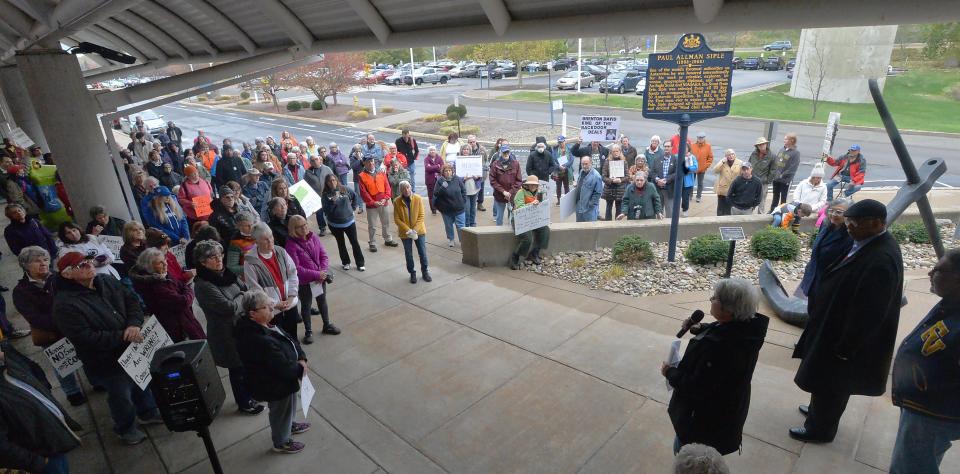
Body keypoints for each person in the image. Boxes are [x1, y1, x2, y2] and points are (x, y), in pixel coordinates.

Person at [791, 199, 904, 443]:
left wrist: (846, 347)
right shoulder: (866, 243)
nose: (848, 227)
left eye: (853, 223)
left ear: (875, 224)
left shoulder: (881, 259)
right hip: (834, 328)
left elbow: (870, 311)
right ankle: (816, 412)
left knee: (832, 385)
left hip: (843, 340)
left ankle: (819, 430)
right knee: (823, 380)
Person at [53, 251, 163, 445]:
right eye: (81, 265)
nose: (89, 265)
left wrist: (134, 324)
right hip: (105, 360)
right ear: (67, 274)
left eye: (88, 261)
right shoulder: (65, 305)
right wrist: (123, 335)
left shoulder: (105, 280)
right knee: (121, 396)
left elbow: (132, 301)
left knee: (141, 383)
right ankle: (125, 428)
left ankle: (148, 412)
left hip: (131, 349)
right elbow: (84, 337)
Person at [662, 278, 768, 455]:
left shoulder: (718, 349)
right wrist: (699, 327)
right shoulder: (747, 331)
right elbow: (722, 328)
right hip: (727, 418)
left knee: (688, 460)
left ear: (728, 308)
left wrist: (670, 372)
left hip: (703, 426)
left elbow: (696, 388)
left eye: (715, 298)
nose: (711, 299)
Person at [889, 249, 960, 474]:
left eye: (939, 270)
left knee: (911, 466)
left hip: (935, 412)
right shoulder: (950, 304)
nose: (930, 273)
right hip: (925, 406)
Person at [192, 241, 264, 415]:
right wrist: (242, 297)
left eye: (220, 255)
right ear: (202, 262)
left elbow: (246, 289)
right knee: (237, 368)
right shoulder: (203, 285)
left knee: (246, 364)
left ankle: (251, 394)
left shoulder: (225, 273)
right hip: (226, 335)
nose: (219, 259)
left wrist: (241, 296)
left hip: (241, 328)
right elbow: (229, 308)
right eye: (213, 257)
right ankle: (244, 402)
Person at [235, 290, 310, 454]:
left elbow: (289, 339)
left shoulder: (265, 324)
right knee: (280, 411)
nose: (271, 308)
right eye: (267, 307)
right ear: (252, 313)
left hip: (284, 380)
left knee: (288, 406)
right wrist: (300, 368)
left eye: (271, 305)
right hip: (274, 384)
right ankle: (281, 442)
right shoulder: (256, 339)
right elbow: (281, 366)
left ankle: (290, 424)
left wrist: (301, 357)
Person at [12, 246, 87, 406]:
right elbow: (34, 318)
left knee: (86, 354)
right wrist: (62, 322)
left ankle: (95, 379)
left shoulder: (60, 278)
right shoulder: (20, 291)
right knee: (62, 364)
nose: (43, 263)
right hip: (51, 333)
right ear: (25, 265)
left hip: (74, 326)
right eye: (37, 261)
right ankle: (72, 391)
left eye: (45, 259)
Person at [0, 342, 82, 473]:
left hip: (51, 441)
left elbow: (33, 368)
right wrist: (36, 462)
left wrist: (45, 390)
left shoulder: (6, 352)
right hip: (39, 457)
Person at [285, 215, 341, 345]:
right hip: (305, 282)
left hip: (319, 278)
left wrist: (323, 271)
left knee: (322, 302)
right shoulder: (291, 245)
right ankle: (308, 331)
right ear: (294, 229)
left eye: (305, 224)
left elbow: (323, 255)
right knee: (306, 305)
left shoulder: (313, 237)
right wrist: (317, 274)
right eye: (300, 226)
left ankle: (327, 324)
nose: (305, 228)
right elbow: (296, 268)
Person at [129, 248, 205, 342]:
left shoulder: (163, 274)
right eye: (160, 262)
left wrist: (186, 291)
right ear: (149, 267)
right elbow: (183, 302)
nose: (165, 264)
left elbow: (182, 285)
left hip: (186, 320)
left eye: (164, 260)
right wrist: (189, 293)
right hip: (176, 328)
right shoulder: (155, 285)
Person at [244, 222, 301, 340]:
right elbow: (255, 289)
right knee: (279, 337)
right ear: (256, 241)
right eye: (265, 239)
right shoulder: (250, 262)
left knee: (293, 334)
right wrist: (275, 304)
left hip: (289, 304)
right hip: (272, 311)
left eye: (271, 236)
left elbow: (292, 273)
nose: (270, 241)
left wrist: (291, 296)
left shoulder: (281, 251)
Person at [796, 199, 853, 299]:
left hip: (830, 281)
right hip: (813, 275)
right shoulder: (825, 224)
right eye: (831, 210)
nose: (833, 214)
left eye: (839, 212)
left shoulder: (851, 235)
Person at [321, 174, 365, 272]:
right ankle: (346, 262)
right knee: (341, 244)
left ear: (337, 180)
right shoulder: (325, 195)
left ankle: (360, 263)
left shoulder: (344, 189)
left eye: (334, 180)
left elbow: (355, 196)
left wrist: (353, 208)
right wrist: (332, 202)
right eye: (329, 181)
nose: (332, 182)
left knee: (355, 243)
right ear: (326, 183)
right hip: (335, 224)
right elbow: (326, 211)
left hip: (349, 222)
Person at [393, 181, 431, 284]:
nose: (406, 190)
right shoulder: (396, 201)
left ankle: (425, 271)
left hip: (419, 231)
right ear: (400, 190)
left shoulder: (418, 198)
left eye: (408, 187)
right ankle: (412, 273)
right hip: (405, 233)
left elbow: (421, 216)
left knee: (422, 253)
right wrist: (408, 230)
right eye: (404, 189)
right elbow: (397, 219)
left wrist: (415, 230)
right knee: (408, 254)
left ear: (411, 187)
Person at [357, 156, 398, 252]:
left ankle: (388, 239)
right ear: (364, 164)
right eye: (368, 162)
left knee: (386, 223)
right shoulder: (361, 176)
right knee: (372, 225)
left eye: (372, 161)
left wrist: (386, 198)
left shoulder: (381, 172)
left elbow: (387, 186)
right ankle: (372, 242)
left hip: (384, 202)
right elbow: (363, 192)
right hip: (372, 205)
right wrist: (372, 202)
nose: (371, 163)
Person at [510, 176, 550, 269]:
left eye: (535, 185)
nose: (533, 186)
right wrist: (531, 204)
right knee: (527, 238)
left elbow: (541, 207)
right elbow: (519, 207)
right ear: (527, 185)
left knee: (545, 230)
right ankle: (515, 256)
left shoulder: (538, 193)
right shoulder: (520, 192)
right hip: (519, 219)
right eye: (531, 184)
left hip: (533, 219)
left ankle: (535, 252)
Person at [434, 164, 466, 247]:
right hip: (446, 209)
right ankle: (451, 239)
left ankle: (463, 240)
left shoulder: (457, 179)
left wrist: (463, 201)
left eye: (449, 170)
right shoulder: (440, 181)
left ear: (452, 171)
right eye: (446, 171)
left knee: (461, 226)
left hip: (459, 208)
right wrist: (443, 187)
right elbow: (436, 193)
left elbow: (463, 190)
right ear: (443, 172)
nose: (448, 172)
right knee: (448, 225)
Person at [489, 145, 523, 226]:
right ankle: (498, 233)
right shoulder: (495, 164)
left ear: (510, 152)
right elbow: (492, 180)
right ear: (500, 153)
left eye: (507, 152)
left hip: (513, 195)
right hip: (500, 195)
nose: (506, 153)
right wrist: (503, 191)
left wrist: (510, 192)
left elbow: (519, 181)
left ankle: (511, 231)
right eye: (504, 152)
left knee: (512, 216)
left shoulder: (516, 164)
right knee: (499, 217)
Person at [304, 152, 334, 236]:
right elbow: (305, 185)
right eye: (312, 160)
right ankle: (322, 228)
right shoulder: (308, 172)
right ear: (310, 162)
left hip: (327, 194)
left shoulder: (327, 169)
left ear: (320, 160)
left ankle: (332, 227)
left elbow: (334, 180)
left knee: (330, 212)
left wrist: (334, 191)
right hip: (316, 196)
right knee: (319, 213)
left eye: (316, 159)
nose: (315, 162)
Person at [770, 132, 801, 212]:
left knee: (783, 198)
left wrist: (782, 175)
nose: (784, 140)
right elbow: (776, 162)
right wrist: (775, 173)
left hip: (785, 180)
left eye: (786, 139)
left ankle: (781, 211)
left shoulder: (796, 153)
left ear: (792, 140)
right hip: (776, 179)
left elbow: (793, 168)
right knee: (775, 195)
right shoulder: (782, 149)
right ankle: (773, 210)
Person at [601, 144, 628, 221]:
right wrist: (611, 180)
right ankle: (608, 224)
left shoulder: (624, 162)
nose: (615, 153)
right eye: (614, 151)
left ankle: (617, 225)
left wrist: (621, 180)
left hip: (620, 189)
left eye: (617, 151)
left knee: (619, 208)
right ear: (611, 152)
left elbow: (627, 176)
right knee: (608, 208)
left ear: (620, 152)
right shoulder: (607, 162)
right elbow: (603, 176)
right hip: (609, 189)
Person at [749, 137, 776, 214]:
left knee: (762, 199)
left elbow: (773, 170)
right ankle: (748, 213)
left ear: (766, 144)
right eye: (759, 145)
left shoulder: (772, 156)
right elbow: (749, 164)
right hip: (752, 180)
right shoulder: (753, 154)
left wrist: (768, 180)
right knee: (751, 197)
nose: (761, 146)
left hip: (763, 182)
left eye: (763, 144)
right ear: (757, 146)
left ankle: (760, 215)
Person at [654, 142, 682, 216]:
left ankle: (669, 227)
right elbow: (652, 172)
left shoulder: (676, 159)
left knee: (670, 212)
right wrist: (657, 179)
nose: (666, 148)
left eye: (668, 146)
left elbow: (677, 173)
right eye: (665, 146)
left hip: (670, 190)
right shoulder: (657, 159)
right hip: (658, 190)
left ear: (672, 147)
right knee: (658, 212)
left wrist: (666, 180)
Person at [712, 149, 742, 216]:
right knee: (721, 207)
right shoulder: (723, 162)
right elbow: (715, 171)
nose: (731, 156)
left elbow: (742, 174)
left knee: (730, 207)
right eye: (729, 155)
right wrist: (722, 162)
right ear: (726, 156)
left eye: (732, 154)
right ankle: (719, 220)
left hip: (734, 189)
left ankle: (728, 221)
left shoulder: (740, 162)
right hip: (723, 188)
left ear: (735, 155)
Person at [575, 156, 604, 222]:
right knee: (579, 227)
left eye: (586, 164)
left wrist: (590, 204)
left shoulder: (596, 176)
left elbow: (598, 193)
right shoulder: (581, 171)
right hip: (579, 206)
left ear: (591, 163)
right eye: (582, 164)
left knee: (590, 229)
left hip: (589, 209)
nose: (584, 166)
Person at [690, 132, 714, 203]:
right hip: (693, 168)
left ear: (704, 138)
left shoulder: (708, 146)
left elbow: (710, 157)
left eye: (702, 138)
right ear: (697, 138)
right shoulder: (692, 145)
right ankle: (690, 195)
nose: (700, 139)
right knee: (691, 182)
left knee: (700, 183)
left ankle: (698, 196)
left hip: (702, 169)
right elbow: (689, 156)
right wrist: (690, 167)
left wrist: (706, 166)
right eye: (699, 138)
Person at [679, 147, 699, 217]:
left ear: (688, 149)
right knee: (676, 197)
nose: (684, 149)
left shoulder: (691, 157)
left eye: (686, 148)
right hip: (678, 181)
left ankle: (685, 210)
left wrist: (687, 168)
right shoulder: (677, 155)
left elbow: (696, 167)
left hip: (687, 181)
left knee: (685, 197)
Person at [424, 146, 444, 215]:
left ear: (436, 151)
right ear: (428, 152)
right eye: (431, 150)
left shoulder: (439, 158)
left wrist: (433, 167)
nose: (432, 151)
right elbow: (427, 169)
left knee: (440, 194)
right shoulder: (426, 159)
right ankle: (433, 209)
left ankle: (440, 207)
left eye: (433, 150)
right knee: (431, 195)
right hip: (430, 180)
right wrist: (437, 166)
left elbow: (442, 168)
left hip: (439, 180)